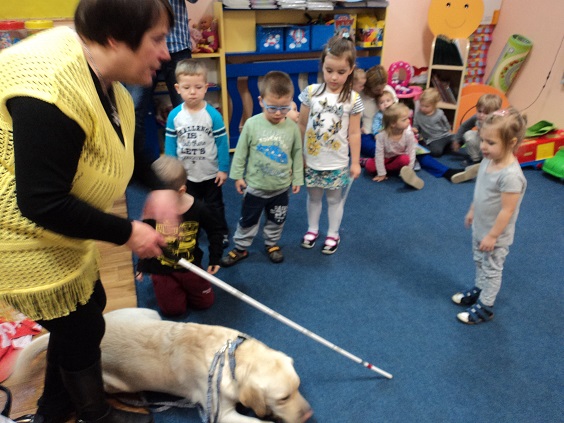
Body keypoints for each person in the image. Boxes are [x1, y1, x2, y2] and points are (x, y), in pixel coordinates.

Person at [0, 0, 178, 422]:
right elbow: (42, 202)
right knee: (80, 325)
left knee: (87, 310)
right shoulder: (53, 89)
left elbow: (121, 142)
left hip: (50, 224)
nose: (166, 53)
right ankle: (93, 416)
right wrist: (128, 232)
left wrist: (161, 187)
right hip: (18, 233)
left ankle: (55, 409)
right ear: (114, 38)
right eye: (156, 40)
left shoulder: (106, 74)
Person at [220, 71, 303, 267]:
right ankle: (241, 247)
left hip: (281, 187)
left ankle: (271, 244)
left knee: (277, 219)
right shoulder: (252, 124)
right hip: (256, 186)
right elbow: (241, 152)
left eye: (284, 108)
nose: (278, 113)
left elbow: (297, 153)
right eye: (272, 107)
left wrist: (298, 178)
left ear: (291, 103)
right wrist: (237, 176)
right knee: (248, 219)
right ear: (261, 101)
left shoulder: (292, 127)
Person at [452, 108, 527, 325]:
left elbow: (507, 210)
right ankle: (480, 288)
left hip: (496, 235)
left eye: (491, 143)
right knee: (479, 261)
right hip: (481, 226)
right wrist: (473, 210)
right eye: (483, 139)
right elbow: (481, 190)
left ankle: (486, 306)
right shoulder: (488, 159)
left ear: (511, 143)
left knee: (492, 268)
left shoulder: (511, 176)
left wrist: (493, 236)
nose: (483, 146)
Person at [298, 36, 363, 254]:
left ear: (351, 69)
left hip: (337, 161)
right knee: (313, 196)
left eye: (341, 72)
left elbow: (354, 133)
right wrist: (299, 155)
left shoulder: (353, 99)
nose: (334, 77)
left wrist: (355, 162)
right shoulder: (311, 93)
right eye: (329, 70)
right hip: (312, 159)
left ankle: (333, 233)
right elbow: (301, 124)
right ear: (322, 66)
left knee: (334, 199)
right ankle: (312, 229)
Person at [136, 156, 222, 316]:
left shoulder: (200, 209)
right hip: (162, 269)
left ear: (181, 191)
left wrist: (215, 258)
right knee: (173, 310)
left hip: (190, 266)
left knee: (205, 303)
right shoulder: (154, 208)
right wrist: (142, 265)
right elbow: (146, 237)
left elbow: (216, 231)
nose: (156, 200)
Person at [164, 59, 230, 247]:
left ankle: (220, 232)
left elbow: (222, 143)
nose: (192, 92)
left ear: (206, 87)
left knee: (215, 206)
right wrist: (172, 173)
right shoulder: (174, 116)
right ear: (178, 88)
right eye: (187, 87)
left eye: (198, 87)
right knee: (187, 205)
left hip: (210, 173)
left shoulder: (213, 115)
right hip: (186, 175)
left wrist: (223, 168)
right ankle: (191, 230)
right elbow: (170, 145)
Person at [128, 0, 193, 160]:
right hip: (144, 46)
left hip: (178, 46)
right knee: (133, 109)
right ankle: (135, 165)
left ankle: (191, 162)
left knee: (188, 108)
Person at [368, 103, 424, 190]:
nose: (409, 121)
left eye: (408, 118)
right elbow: (379, 155)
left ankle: (396, 170)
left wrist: (409, 170)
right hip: (386, 158)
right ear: (393, 123)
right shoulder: (381, 136)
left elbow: (411, 151)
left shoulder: (408, 134)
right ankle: (391, 169)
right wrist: (381, 173)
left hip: (399, 157)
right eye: (404, 120)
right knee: (369, 166)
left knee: (405, 159)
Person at [360, 65, 398, 158]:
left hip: (388, 131)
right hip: (368, 133)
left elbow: (397, 111)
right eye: (377, 89)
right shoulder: (361, 96)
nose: (381, 92)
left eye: (383, 87)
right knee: (377, 150)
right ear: (369, 87)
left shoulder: (388, 90)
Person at [454, 93, 503, 164]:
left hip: (492, 146)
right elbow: (464, 126)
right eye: (479, 111)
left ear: (495, 114)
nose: (481, 115)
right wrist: (457, 140)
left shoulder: (498, 122)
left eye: (486, 113)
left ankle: (487, 162)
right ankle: (476, 160)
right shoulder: (476, 117)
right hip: (481, 141)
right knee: (468, 134)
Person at [413, 87, 456, 157]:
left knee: (461, 137)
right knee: (435, 153)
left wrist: (449, 130)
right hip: (433, 139)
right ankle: (447, 148)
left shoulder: (439, 113)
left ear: (434, 105)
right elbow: (416, 126)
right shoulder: (418, 115)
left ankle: (448, 146)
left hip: (445, 135)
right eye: (422, 105)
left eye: (426, 106)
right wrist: (415, 129)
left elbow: (446, 123)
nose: (423, 108)